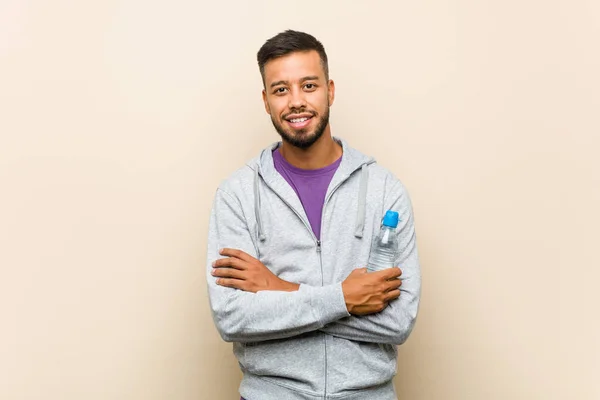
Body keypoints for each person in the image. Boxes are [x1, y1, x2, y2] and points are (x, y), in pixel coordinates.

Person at [206, 29, 421, 400]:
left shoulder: (385, 190)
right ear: (265, 100)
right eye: (280, 89)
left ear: (330, 90)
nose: (296, 102)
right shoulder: (238, 194)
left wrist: (279, 288)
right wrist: (345, 298)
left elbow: (398, 321)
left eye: (308, 86)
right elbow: (233, 317)